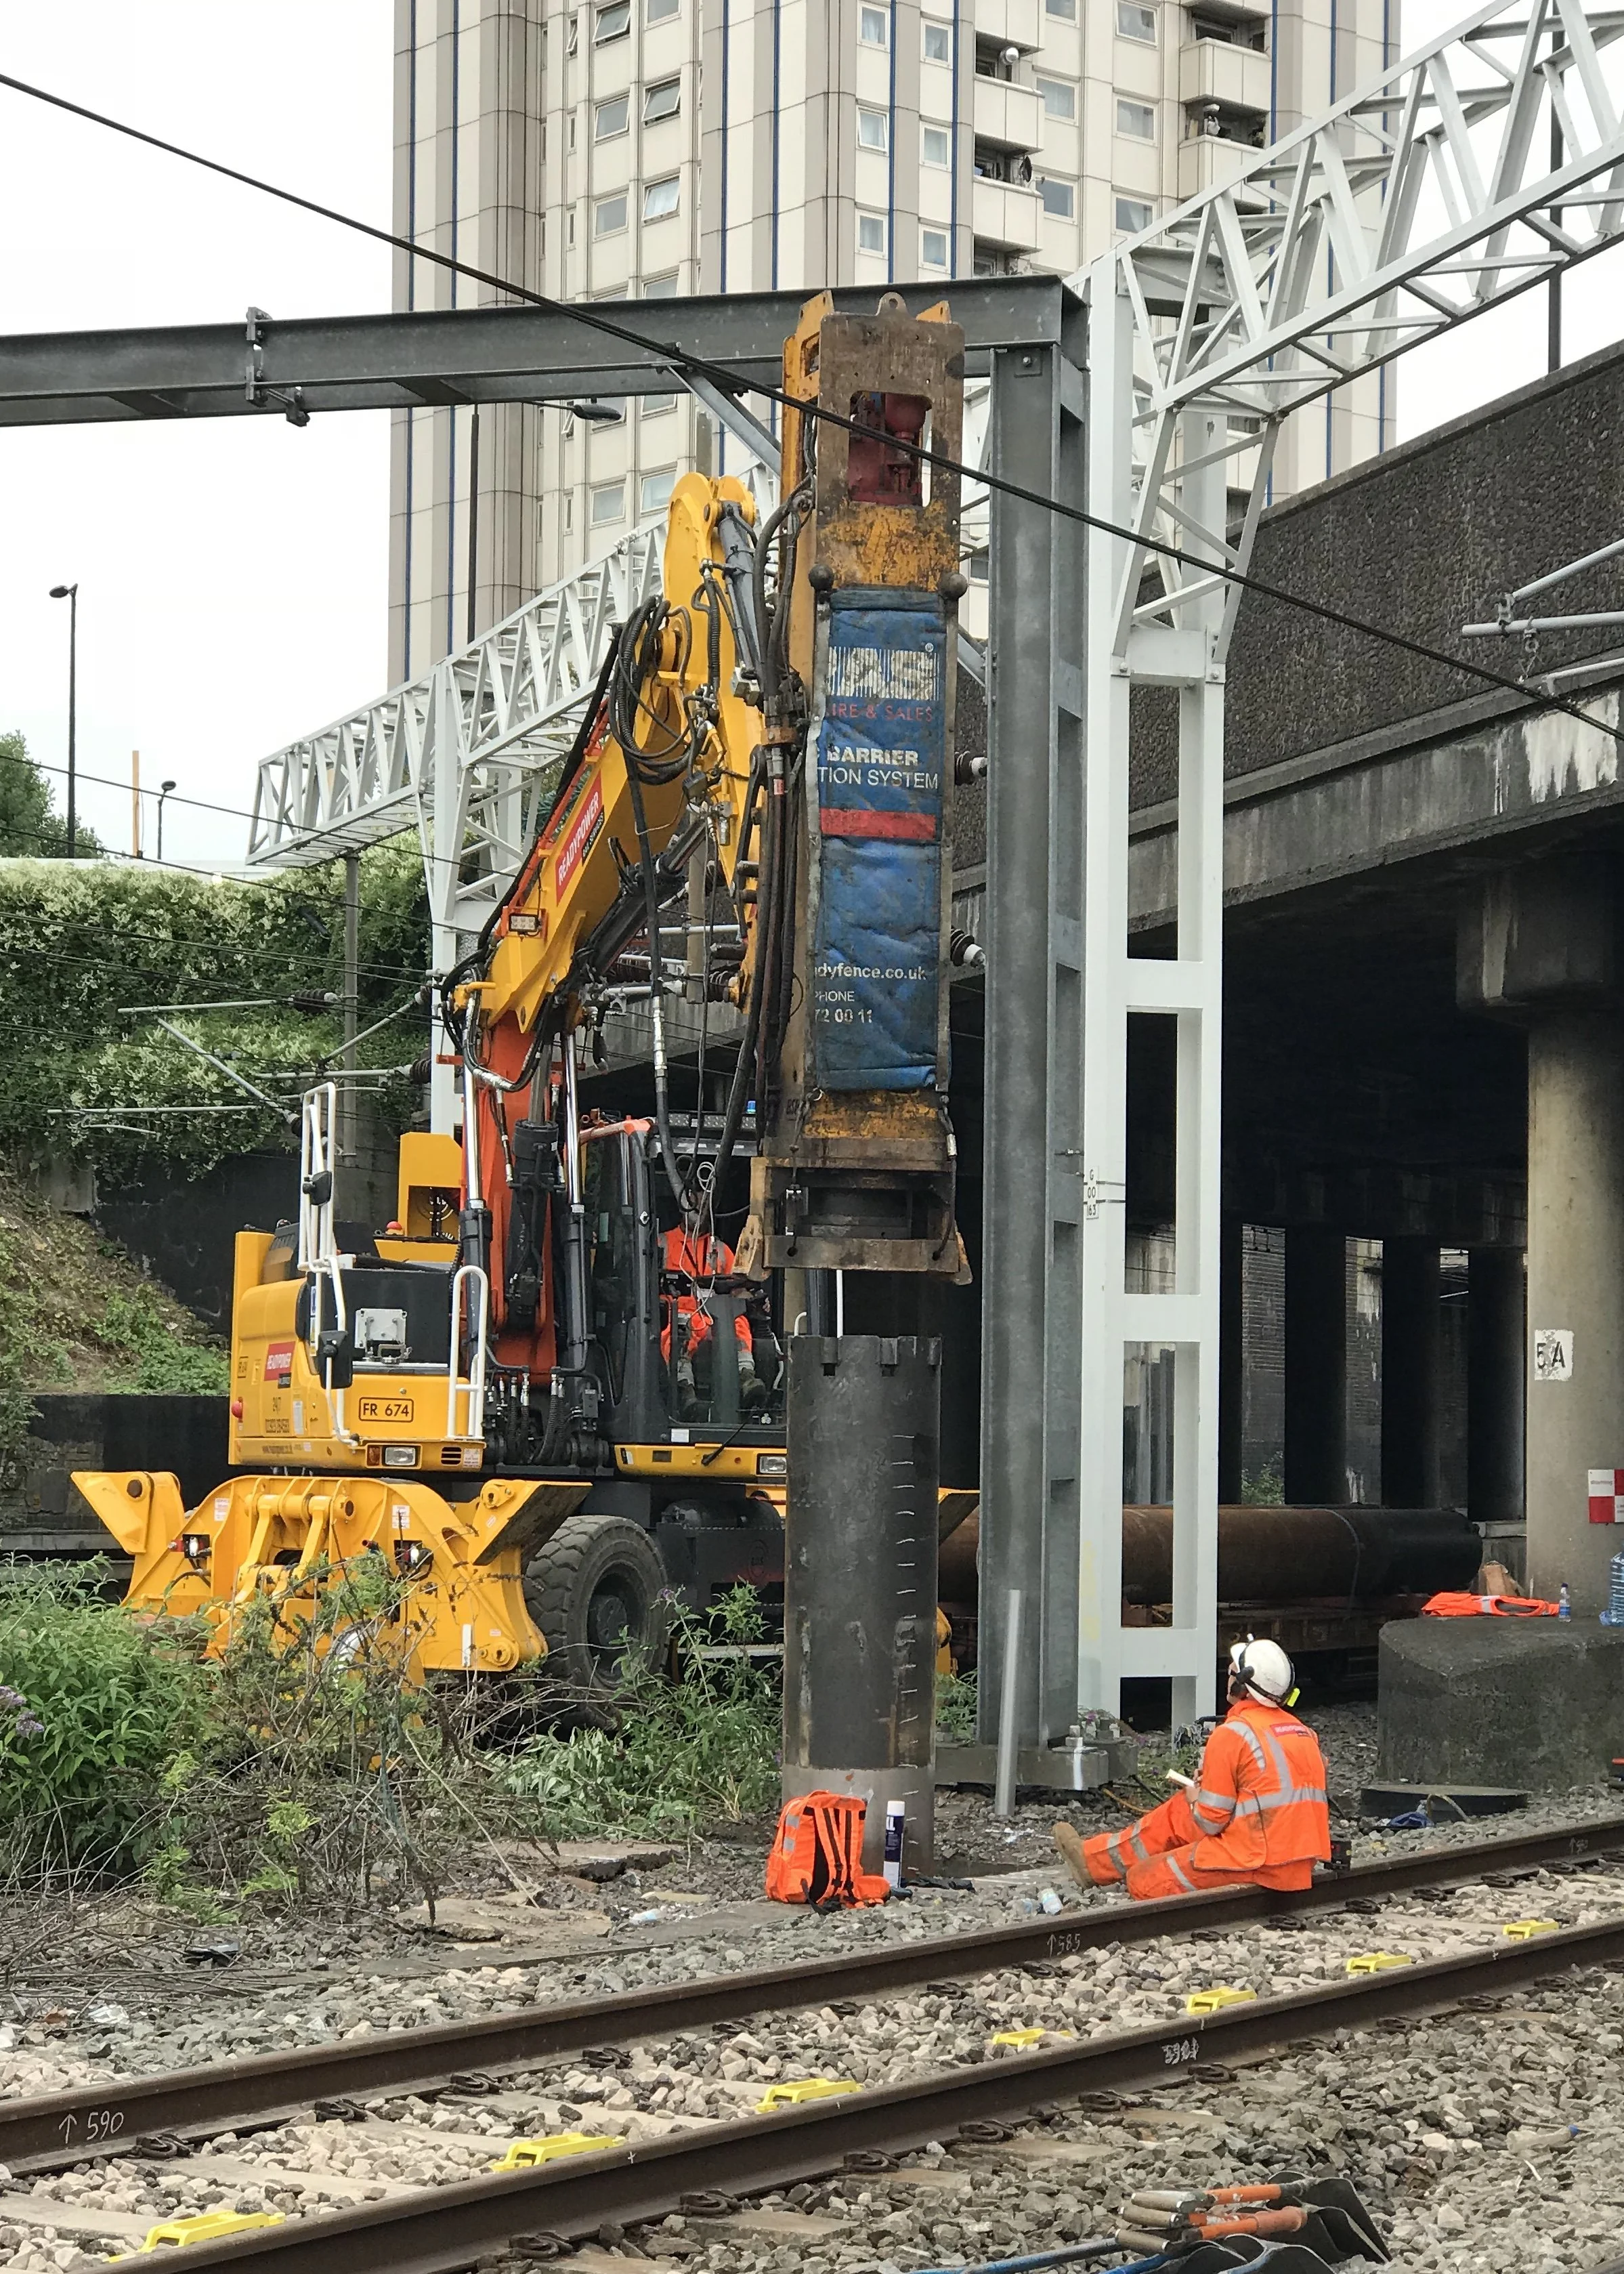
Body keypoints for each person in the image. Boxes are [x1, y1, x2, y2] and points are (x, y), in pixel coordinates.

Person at [1053, 1639, 1331, 1901]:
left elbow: (1211, 1821)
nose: (1228, 1676)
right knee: (1179, 1812)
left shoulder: (1234, 1734)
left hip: (1258, 1860)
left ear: (1242, 1686)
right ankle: (1092, 1862)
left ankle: (1112, 1866)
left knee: (1141, 1880)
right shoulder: (1303, 1733)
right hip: (1294, 1857)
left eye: (1231, 1671)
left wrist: (1197, 1798)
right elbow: (1270, 1790)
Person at [660, 1221, 766, 1412]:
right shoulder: (662, 1243)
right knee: (674, 1331)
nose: (699, 1206)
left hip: (715, 1315)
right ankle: (684, 1390)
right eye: (694, 1204)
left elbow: (739, 1289)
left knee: (739, 1322)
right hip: (677, 1313)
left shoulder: (721, 1250)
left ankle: (746, 1376)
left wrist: (757, 1300)